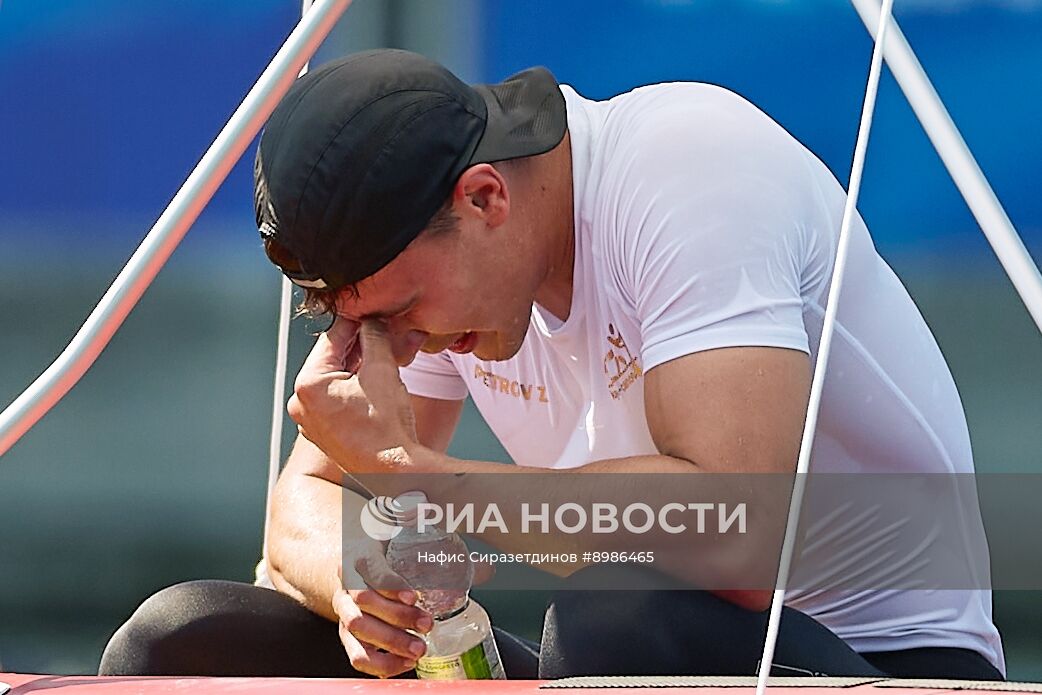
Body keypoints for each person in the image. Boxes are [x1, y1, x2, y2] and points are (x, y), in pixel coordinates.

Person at [99, 48, 1004, 680]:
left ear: (484, 198)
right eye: (366, 324)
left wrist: (418, 473)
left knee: (611, 620)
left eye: (402, 312)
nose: (402, 346)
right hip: (625, 661)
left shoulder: (690, 167)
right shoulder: (445, 277)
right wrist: (363, 584)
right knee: (178, 641)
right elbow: (302, 502)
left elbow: (737, 536)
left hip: (888, 662)